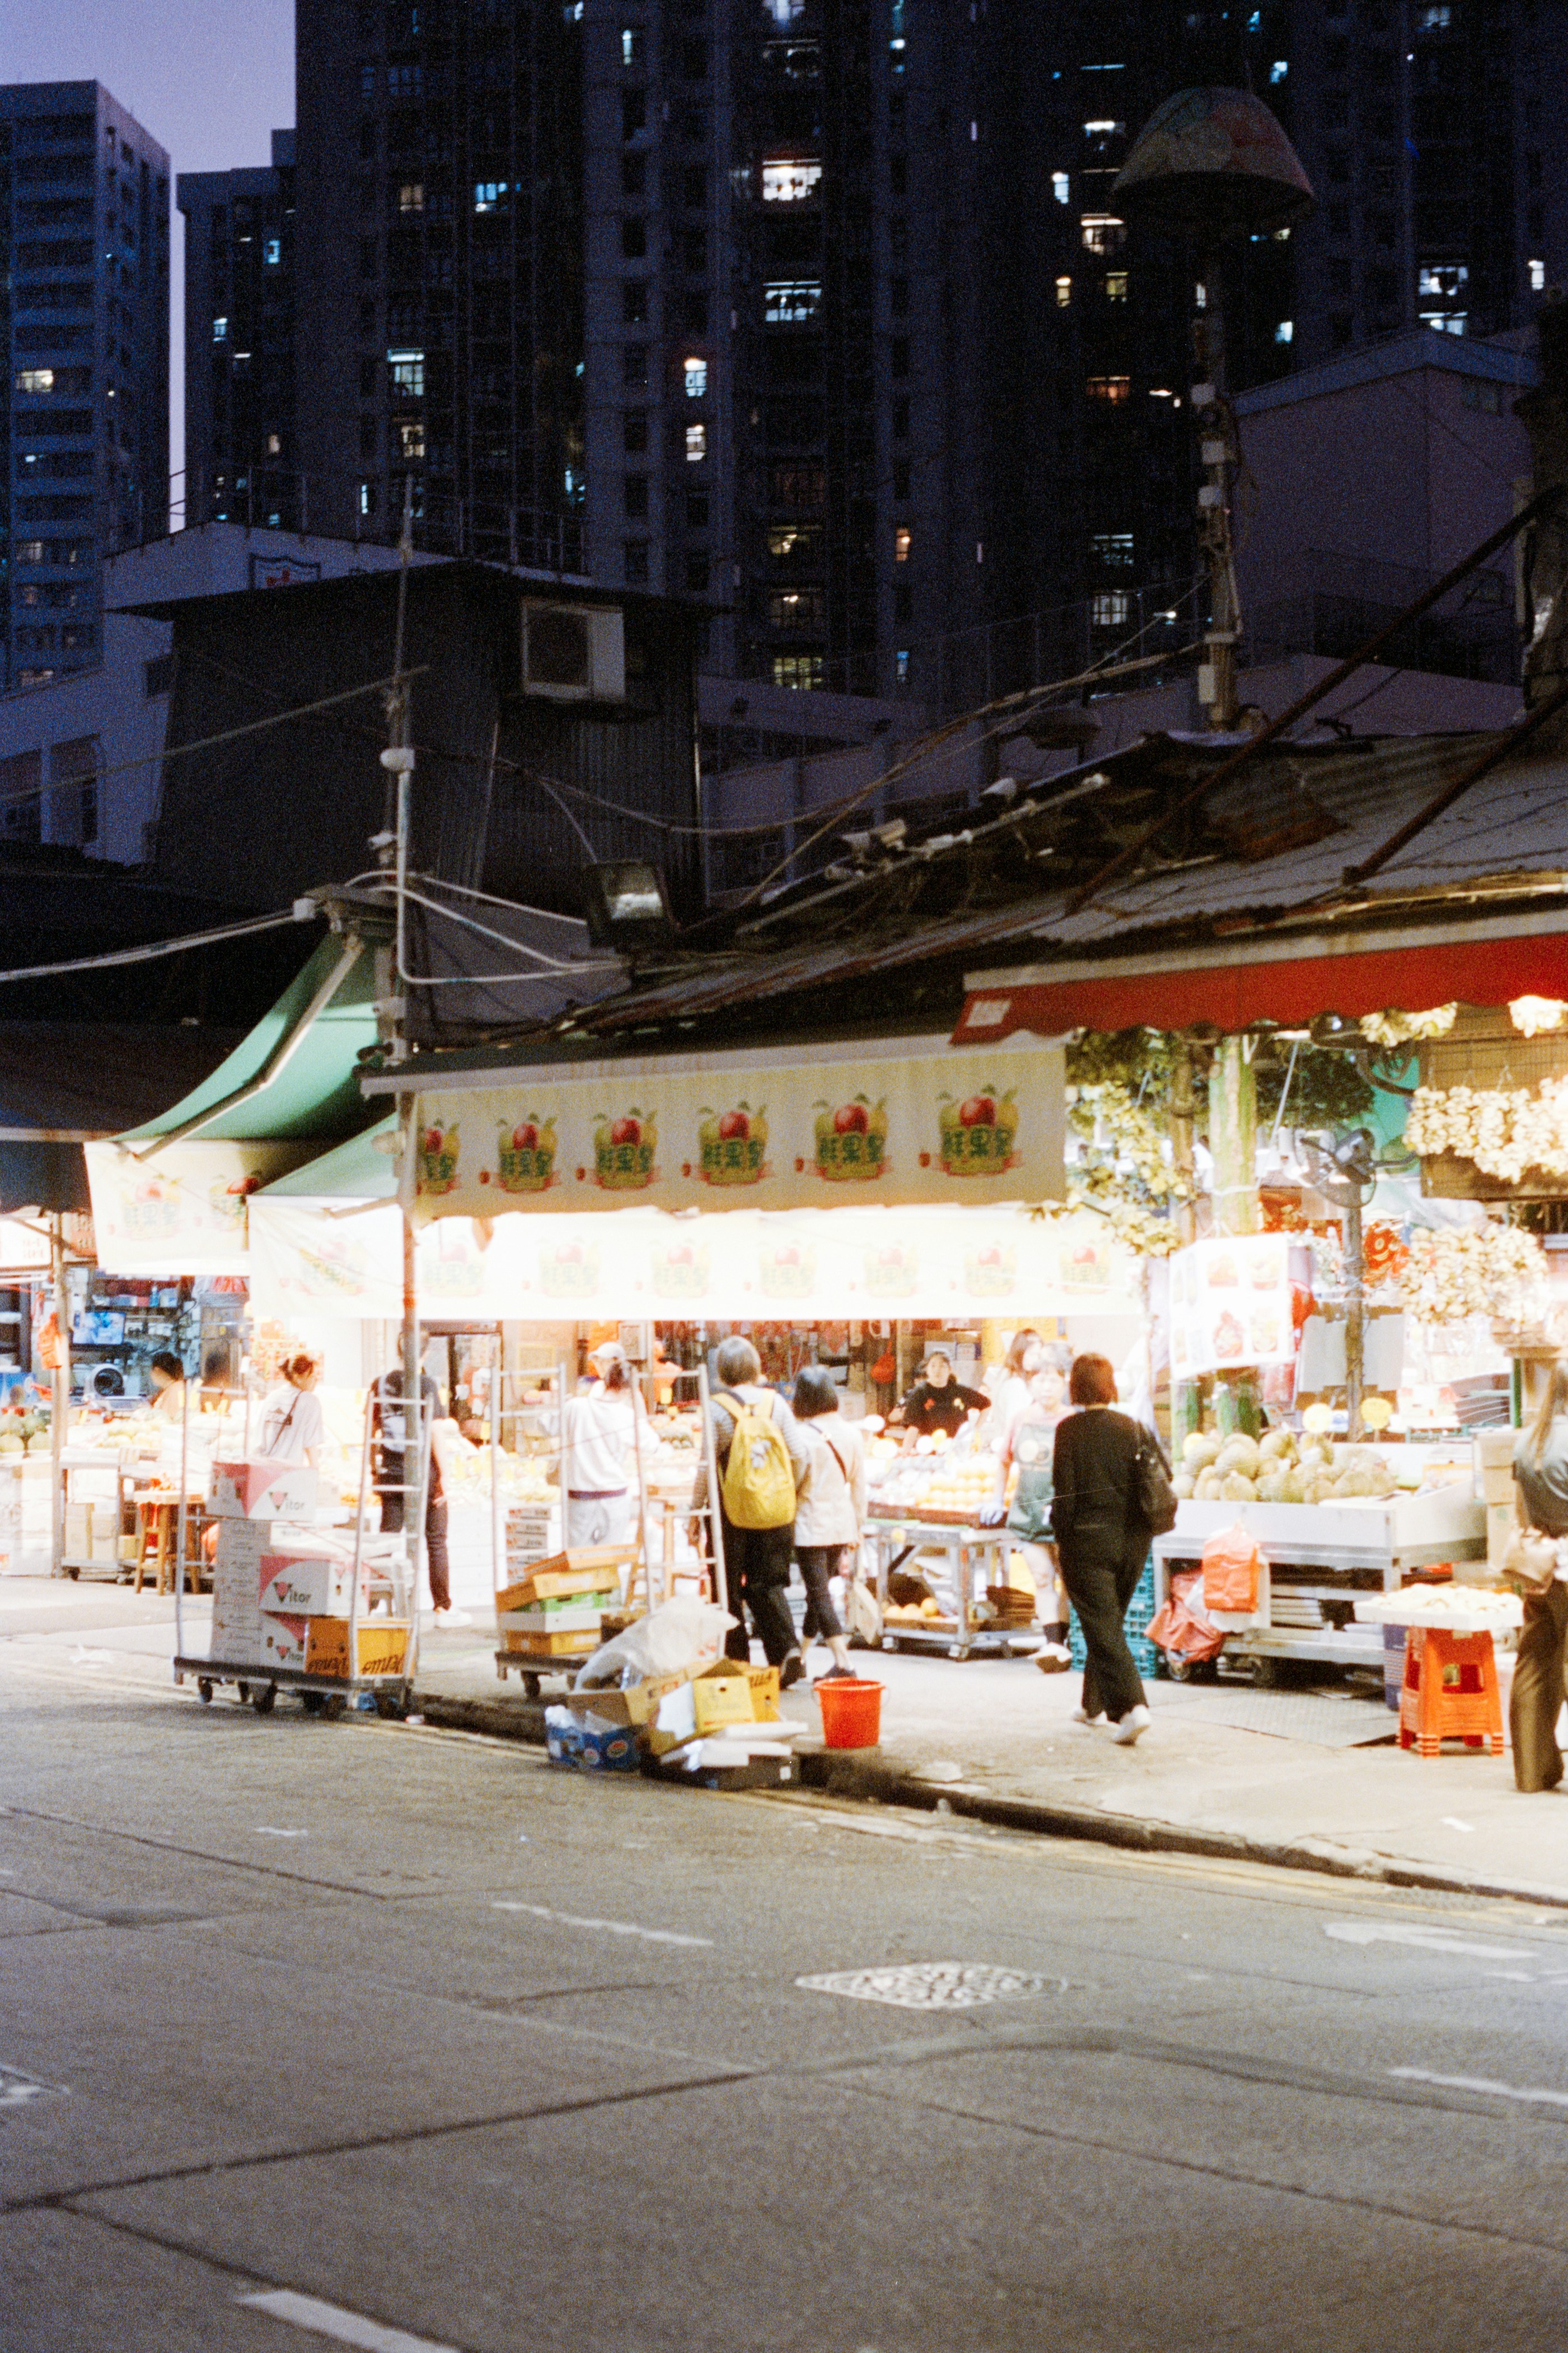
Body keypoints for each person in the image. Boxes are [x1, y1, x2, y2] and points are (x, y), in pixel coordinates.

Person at [691, 1335, 811, 1684]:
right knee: (768, 1584)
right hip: (775, 1510)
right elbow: (800, 1455)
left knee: (726, 1587)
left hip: (730, 1515)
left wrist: (694, 1510)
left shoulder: (716, 1408)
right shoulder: (777, 1404)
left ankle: (738, 1661)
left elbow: (705, 1466)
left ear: (722, 1371)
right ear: (756, 1366)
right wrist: (791, 1492)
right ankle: (786, 1652)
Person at [1050, 1352, 1155, 1745]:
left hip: (1088, 1542)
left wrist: (1060, 1540)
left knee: (1103, 1625)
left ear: (1074, 1386)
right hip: (1133, 1541)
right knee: (1105, 1622)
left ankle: (1133, 1708)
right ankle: (1091, 1705)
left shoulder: (1069, 1431)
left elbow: (1066, 1496)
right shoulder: (1133, 1428)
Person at [995, 1348, 1073, 1670]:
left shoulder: (1072, 1420)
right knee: (1042, 1576)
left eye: (1052, 1380)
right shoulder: (1020, 1419)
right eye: (1039, 1379)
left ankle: (1062, 1643)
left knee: (1068, 1581)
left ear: (1064, 1383)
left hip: (1066, 1515)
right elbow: (1003, 1461)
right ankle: (1052, 1643)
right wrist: (996, 1499)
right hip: (1028, 1513)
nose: (1046, 1387)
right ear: (1030, 1384)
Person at [1510, 1357, 1568, 1792]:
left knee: (1533, 1662)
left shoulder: (1528, 1440)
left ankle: (1532, 1772)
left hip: (1539, 1563)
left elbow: (1519, 1508)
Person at [790, 1366, 865, 1682]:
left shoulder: (802, 1437)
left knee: (819, 1595)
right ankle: (802, 1658)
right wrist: (858, 1528)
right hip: (841, 1524)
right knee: (817, 1596)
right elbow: (860, 1486)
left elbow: (795, 1484)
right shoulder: (852, 1433)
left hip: (810, 1525)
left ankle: (844, 1663)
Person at [372, 1365, 451, 1613]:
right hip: (424, 1473)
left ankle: (370, 1602)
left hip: (392, 1473)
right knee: (436, 1541)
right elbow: (436, 1430)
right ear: (425, 1353)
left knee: (385, 1541)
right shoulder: (426, 1383)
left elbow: (371, 1429)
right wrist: (446, 1474)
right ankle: (442, 1606)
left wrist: (373, 1469)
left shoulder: (380, 1383)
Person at [561, 1339, 647, 1547]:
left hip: (614, 1475)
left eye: (604, 1362)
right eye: (597, 1362)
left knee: (593, 1554)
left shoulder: (630, 1394)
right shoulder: (595, 1390)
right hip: (598, 1481)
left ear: (617, 1364)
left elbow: (641, 1434)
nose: (599, 1367)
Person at [890, 1349, 989, 1441]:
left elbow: (986, 1405)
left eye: (942, 1366)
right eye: (933, 1366)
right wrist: (906, 1452)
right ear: (928, 1369)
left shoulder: (961, 1391)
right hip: (929, 1447)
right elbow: (913, 1427)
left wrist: (975, 1431)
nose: (938, 1370)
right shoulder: (919, 1393)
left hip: (957, 1447)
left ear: (950, 1370)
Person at [259, 1351, 324, 1470]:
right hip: (288, 1474)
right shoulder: (310, 1401)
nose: (316, 1381)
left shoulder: (272, 1397)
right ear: (298, 1377)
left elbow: (260, 1437)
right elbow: (310, 1445)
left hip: (264, 1470)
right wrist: (315, 1472)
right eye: (313, 1377)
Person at [146, 1351, 188, 1422]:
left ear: (157, 1370)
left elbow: (171, 1419)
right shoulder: (171, 1388)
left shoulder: (177, 1390)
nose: (150, 1374)